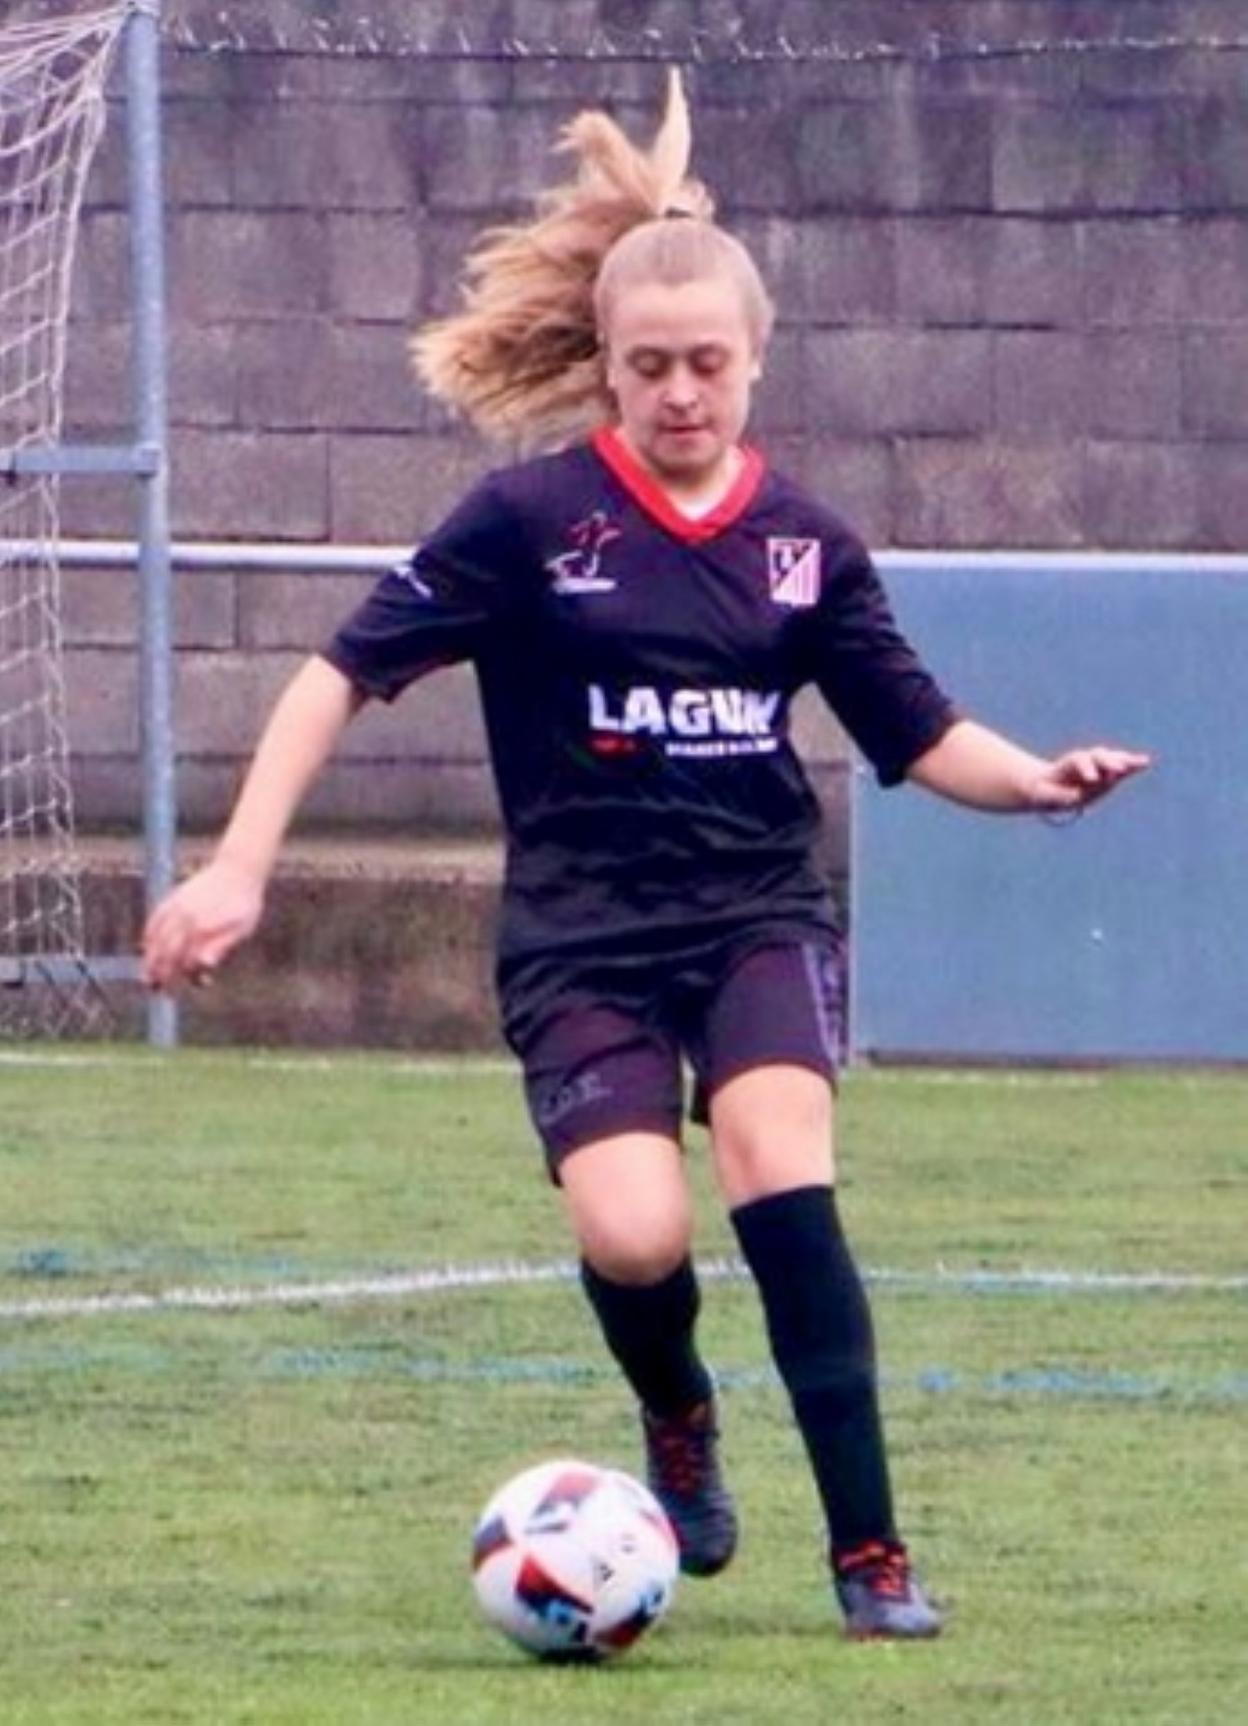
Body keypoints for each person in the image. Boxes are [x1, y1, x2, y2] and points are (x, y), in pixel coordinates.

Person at [142, 73, 1150, 1640]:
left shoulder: (806, 544)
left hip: (756, 913)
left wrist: (1033, 780)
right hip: (580, 936)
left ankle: (873, 1556)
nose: (683, 393)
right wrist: (237, 868)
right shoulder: (527, 520)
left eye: (709, 364)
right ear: (604, 365)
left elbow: (916, 725)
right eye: (652, 366)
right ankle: (678, 1412)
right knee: (634, 1233)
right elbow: (335, 674)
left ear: (756, 361)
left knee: (780, 1174)